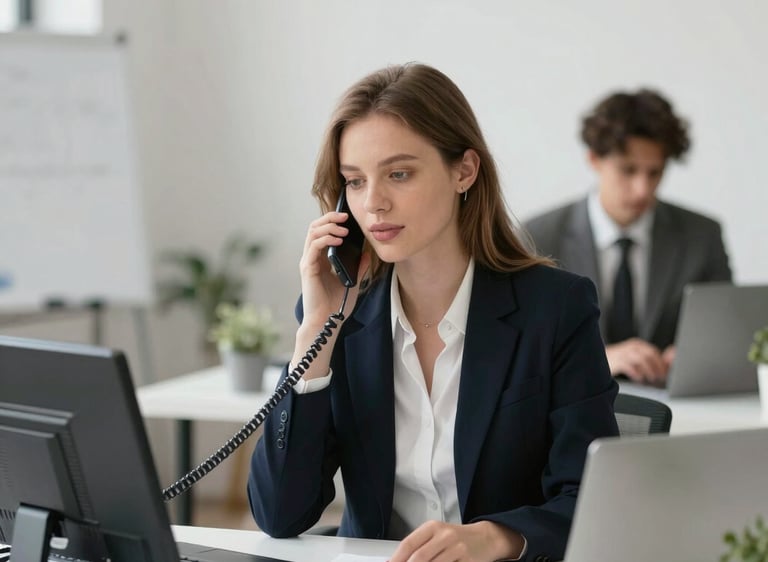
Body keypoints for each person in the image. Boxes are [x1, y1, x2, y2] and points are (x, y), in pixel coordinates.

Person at [248, 63, 618, 562]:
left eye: (399, 174)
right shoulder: (341, 318)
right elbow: (279, 514)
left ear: (463, 170)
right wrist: (316, 331)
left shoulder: (554, 309)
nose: (374, 203)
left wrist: (494, 537)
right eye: (354, 182)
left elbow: (593, 501)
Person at [525, 89, 731, 386]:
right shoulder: (538, 236)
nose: (643, 190)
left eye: (655, 173)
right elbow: (520, 347)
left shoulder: (702, 236)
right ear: (594, 159)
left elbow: (727, 334)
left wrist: (696, 356)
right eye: (628, 170)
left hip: (676, 412)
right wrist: (598, 357)